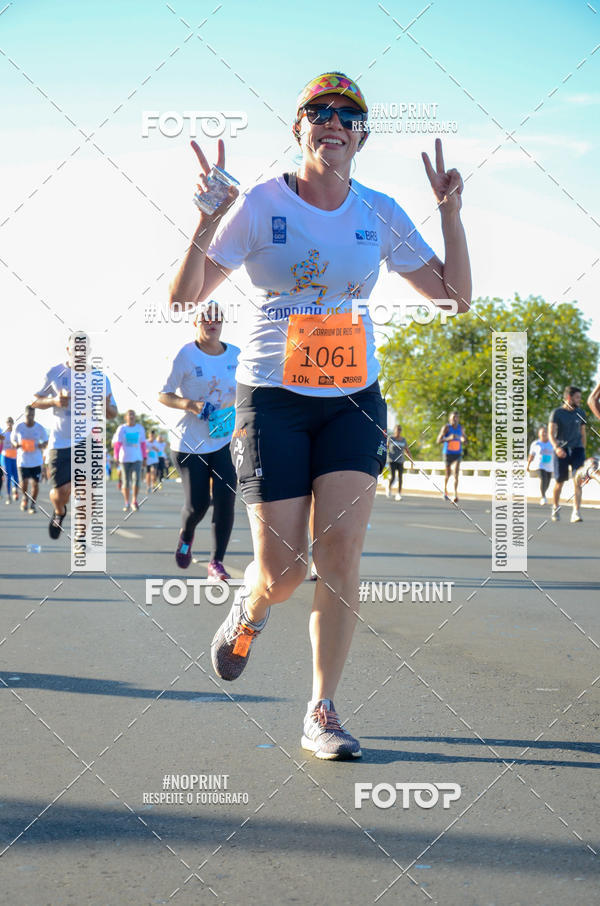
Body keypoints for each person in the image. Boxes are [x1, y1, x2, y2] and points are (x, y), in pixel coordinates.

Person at [169, 71, 471, 759]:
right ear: (299, 128)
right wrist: (206, 219)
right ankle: (249, 609)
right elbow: (186, 295)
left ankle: (322, 710)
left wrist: (450, 213)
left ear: (361, 135)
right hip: (273, 397)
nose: (332, 121)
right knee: (283, 572)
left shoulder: (382, 210)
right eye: (318, 112)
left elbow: (455, 298)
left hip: (354, 399)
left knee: (339, 556)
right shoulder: (258, 205)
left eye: (348, 114)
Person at [159, 302, 240, 581]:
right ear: (196, 323)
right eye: (205, 319)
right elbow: (164, 394)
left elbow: (250, 391)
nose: (211, 323)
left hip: (225, 439)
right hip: (188, 441)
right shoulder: (186, 355)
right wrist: (190, 404)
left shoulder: (237, 355)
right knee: (199, 505)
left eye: (217, 318)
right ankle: (187, 533)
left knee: (226, 500)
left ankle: (216, 562)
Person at [30, 335, 118, 539]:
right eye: (76, 347)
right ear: (68, 349)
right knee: (62, 492)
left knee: (86, 491)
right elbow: (35, 401)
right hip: (59, 442)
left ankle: (80, 535)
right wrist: (53, 401)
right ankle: (60, 511)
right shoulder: (55, 372)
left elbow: (113, 412)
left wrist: (104, 405)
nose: (80, 351)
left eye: (84, 348)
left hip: (87, 441)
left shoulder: (99, 378)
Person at [549, 386, 587, 523]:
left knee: (578, 481)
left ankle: (576, 512)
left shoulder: (581, 412)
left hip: (577, 450)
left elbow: (583, 433)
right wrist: (556, 448)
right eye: (577, 397)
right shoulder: (557, 413)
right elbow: (551, 433)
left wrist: (583, 448)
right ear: (569, 398)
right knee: (559, 482)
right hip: (562, 450)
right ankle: (555, 507)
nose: (579, 400)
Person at [12, 406, 48, 513]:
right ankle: (25, 498)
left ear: (34, 415)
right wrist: (16, 444)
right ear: (25, 415)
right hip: (22, 461)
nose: (30, 418)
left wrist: (42, 445)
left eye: (32, 415)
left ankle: (32, 504)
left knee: (35, 484)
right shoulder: (18, 427)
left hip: (36, 461)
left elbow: (46, 441)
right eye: (28, 415)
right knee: (24, 483)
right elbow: (13, 440)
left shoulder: (40, 428)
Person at [113, 410, 146, 512]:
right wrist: (116, 456)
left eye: (133, 415)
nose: (131, 416)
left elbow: (143, 444)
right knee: (126, 481)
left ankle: (134, 501)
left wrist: (144, 457)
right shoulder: (122, 428)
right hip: (124, 459)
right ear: (125, 417)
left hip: (137, 458)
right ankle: (127, 502)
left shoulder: (140, 428)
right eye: (129, 415)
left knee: (136, 480)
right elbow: (117, 444)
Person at [437, 411, 466, 503]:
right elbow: (438, 440)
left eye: (457, 417)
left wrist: (464, 440)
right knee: (448, 474)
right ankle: (445, 491)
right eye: (453, 417)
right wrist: (448, 438)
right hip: (448, 453)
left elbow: (465, 440)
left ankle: (455, 494)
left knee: (456, 474)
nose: (455, 419)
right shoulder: (446, 427)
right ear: (450, 419)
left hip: (457, 453)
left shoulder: (461, 428)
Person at [526, 426, 553, 505]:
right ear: (539, 434)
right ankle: (543, 497)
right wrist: (528, 465)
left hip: (549, 466)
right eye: (542, 433)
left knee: (547, 482)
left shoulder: (552, 443)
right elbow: (531, 455)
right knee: (543, 478)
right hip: (539, 465)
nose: (544, 434)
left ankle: (543, 493)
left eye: (545, 432)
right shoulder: (536, 444)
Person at [386, 425, 409, 500]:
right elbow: (385, 448)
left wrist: (411, 460)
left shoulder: (403, 440)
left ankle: (398, 494)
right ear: (394, 430)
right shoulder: (391, 438)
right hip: (392, 460)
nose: (399, 431)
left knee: (400, 478)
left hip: (400, 461)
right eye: (397, 429)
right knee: (392, 477)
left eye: (400, 429)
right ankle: (389, 488)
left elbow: (407, 450)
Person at [2, 417, 20, 504]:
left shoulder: (16, 433)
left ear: (13, 423)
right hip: (5, 457)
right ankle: (8, 496)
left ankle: (15, 490)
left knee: (16, 476)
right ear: (5, 423)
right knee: (8, 476)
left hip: (15, 457)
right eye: (7, 422)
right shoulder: (3, 434)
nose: (9, 424)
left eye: (11, 422)